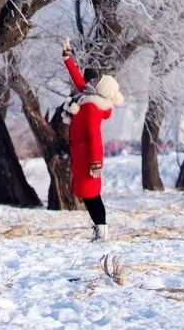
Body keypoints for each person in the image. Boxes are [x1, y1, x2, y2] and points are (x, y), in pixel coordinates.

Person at [60, 38, 124, 241]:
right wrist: (68, 58)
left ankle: (102, 231)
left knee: (92, 196)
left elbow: (95, 136)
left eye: (97, 82)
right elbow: (79, 80)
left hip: (88, 160)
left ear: (100, 90)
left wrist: (96, 163)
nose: (92, 81)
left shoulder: (90, 108)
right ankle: (99, 229)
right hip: (81, 157)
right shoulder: (87, 98)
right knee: (87, 195)